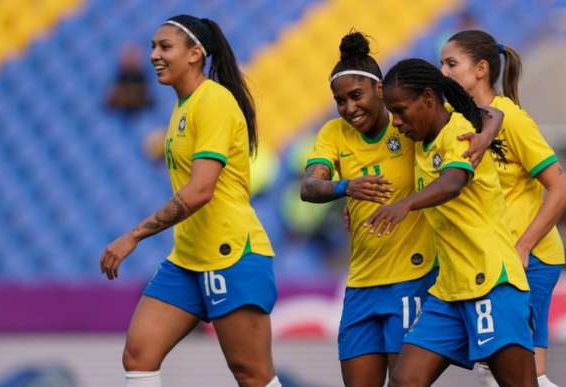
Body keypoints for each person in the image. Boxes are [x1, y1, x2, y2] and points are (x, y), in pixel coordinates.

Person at [300, 32, 503, 387]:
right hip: (361, 284)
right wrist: (345, 187)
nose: (349, 108)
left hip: (411, 279)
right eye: (340, 101)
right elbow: (309, 186)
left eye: (356, 96)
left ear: (380, 91)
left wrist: (484, 137)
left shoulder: (411, 130)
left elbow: (489, 113)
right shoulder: (333, 134)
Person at [99, 15, 280, 387]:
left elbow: (200, 191)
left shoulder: (213, 101)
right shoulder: (183, 106)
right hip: (188, 258)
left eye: (165, 46)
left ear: (195, 53)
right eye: (152, 47)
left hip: (231, 253)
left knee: (253, 374)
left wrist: (133, 235)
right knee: (139, 354)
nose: (154, 55)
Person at [366, 58, 536, 387]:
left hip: (491, 282)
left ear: (428, 98)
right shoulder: (422, 139)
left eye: (400, 111)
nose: (397, 122)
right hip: (450, 289)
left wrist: (404, 206)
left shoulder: (458, 130)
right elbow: (491, 114)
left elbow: (453, 182)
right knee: (404, 380)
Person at [440, 30, 566, 387]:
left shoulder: (510, 119)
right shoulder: (455, 122)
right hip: (490, 262)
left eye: (451, 63)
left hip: (527, 261)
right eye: (441, 63)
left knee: (520, 375)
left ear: (481, 69)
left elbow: (561, 189)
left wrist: (524, 246)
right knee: (502, 374)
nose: (443, 72)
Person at [106, 43, 153, 115]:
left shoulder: (144, 77)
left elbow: (150, 101)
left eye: (133, 55)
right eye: (128, 55)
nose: (130, 58)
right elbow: (110, 102)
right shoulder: (118, 77)